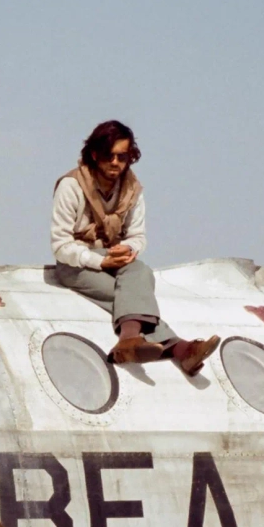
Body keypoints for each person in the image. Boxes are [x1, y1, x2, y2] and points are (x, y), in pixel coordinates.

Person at [51, 120, 218, 376]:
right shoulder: (71, 186)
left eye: (123, 156)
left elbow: (137, 236)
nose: (116, 163)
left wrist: (125, 249)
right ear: (95, 154)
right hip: (76, 263)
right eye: (109, 156)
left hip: (113, 259)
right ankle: (180, 349)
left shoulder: (132, 189)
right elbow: (61, 245)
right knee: (131, 299)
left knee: (141, 271)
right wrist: (99, 262)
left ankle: (129, 341)